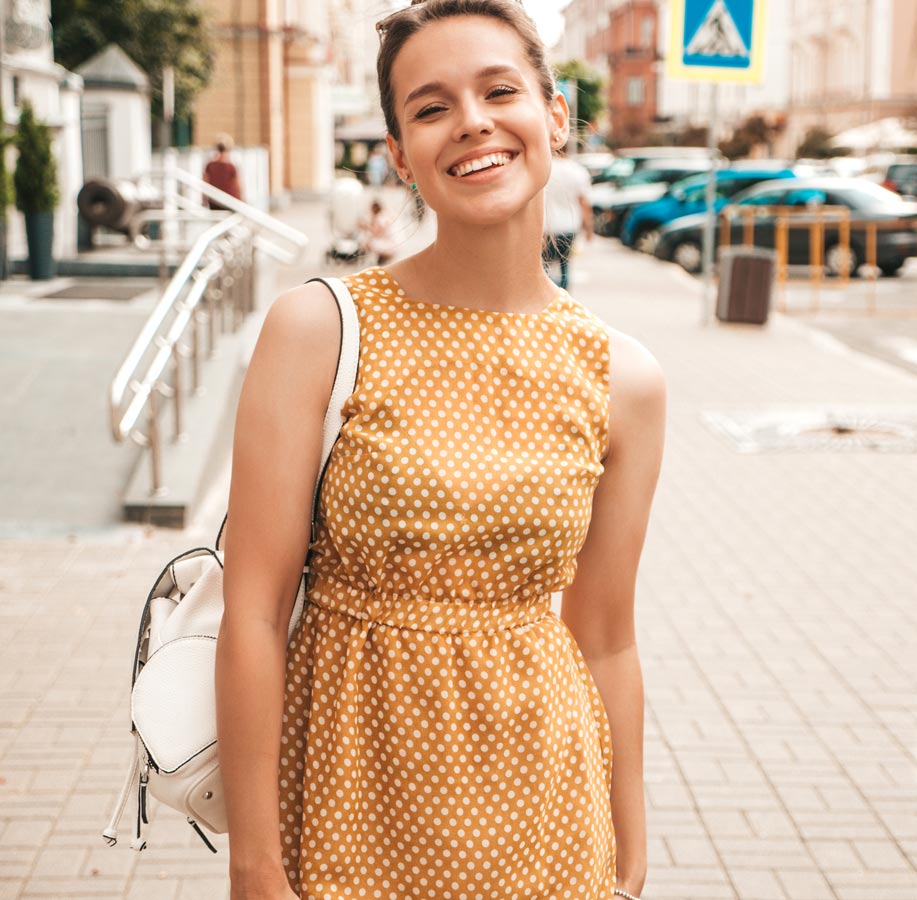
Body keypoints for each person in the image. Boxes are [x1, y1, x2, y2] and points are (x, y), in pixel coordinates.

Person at [215, 2, 665, 900]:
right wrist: (256, 862)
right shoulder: (320, 329)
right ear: (397, 152)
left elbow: (606, 638)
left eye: (500, 90)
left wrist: (628, 842)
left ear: (555, 115)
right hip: (346, 800)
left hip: (545, 816)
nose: (472, 122)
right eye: (430, 107)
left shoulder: (624, 377)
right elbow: (254, 615)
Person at [542, 150, 593, 289]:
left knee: (544, 266)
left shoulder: (545, 168)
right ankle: (564, 298)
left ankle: (545, 300)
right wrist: (589, 228)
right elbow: (583, 202)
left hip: (547, 225)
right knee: (565, 265)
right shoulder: (577, 171)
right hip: (570, 225)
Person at [202, 135, 243, 211]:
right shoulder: (231, 166)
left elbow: (205, 183)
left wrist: (204, 200)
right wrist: (241, 201)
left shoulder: (210, 165)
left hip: (214, 200)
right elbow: (237, 185)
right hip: (230, 201)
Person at [362, 198, 399, 263]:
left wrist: (367, 226)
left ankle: (370, 261)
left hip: (389, 246)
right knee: (369, 241)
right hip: (393, 244)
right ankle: (379, 259)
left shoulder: (379, 219)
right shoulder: (384, 215)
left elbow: (375, 232)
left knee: (368, 243)